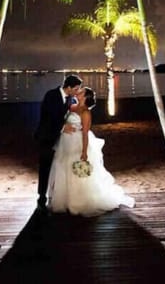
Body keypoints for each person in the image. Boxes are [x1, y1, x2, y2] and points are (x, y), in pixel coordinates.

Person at [47, 87, 135, 216]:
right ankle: (65, 200)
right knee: (62, 168)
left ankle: (78, 201)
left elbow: (85, 134)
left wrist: (84, 151)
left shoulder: (86, 112)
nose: (78, 92)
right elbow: (59, 119)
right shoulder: (72, 106)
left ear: (86, 97)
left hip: (77, 142)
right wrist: (63, 127)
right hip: (65, 142)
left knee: (76, 172)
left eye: (81, 92)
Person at [34, 74, 83, 211]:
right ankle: (42, 195)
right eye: (76, 88)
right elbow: (48, 116)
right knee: (45, 166)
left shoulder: (70, 99)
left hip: (60, 139)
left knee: (58, 166)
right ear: (69, 87)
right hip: (47, 136)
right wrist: (62, 127)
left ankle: (55, 194)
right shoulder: (51, 95)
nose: (77, 91)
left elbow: (65, 115)